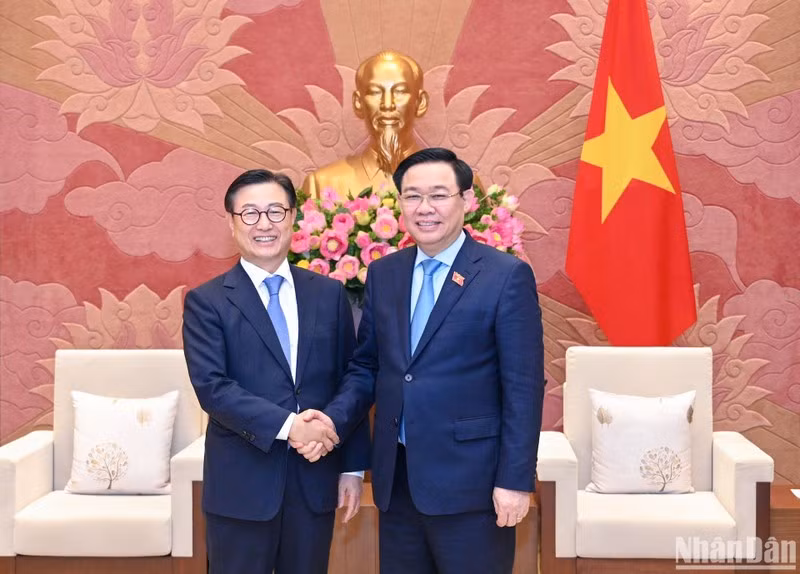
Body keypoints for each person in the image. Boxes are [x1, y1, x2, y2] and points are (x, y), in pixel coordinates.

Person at [297, 148, 545, 573]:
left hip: (475, 487)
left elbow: (523, 386)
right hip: (399, 483)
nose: (424, 208)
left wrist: (515, 480)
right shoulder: (385, 273)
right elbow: (367, 367)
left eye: (438, 195)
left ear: (466, 201)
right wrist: (332, 420)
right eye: (412, 196)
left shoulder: (505, 276)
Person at [182, 169, 370, 574]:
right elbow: (214, 389)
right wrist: (292, 427)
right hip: (241, 489)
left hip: (314, 482)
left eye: (275, 211)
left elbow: (351, 377)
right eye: (249, 213)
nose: (264, 223)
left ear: (292, 219)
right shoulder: (207, 302)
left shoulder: (328, 293)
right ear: (231, 224)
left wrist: (352, 467)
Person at [301, 50, 429, 199]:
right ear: (358, 102)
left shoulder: (451, 183)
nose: (387, 105)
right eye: (375, 92)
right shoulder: (322, 185)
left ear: (420, 103)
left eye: (400, 92)